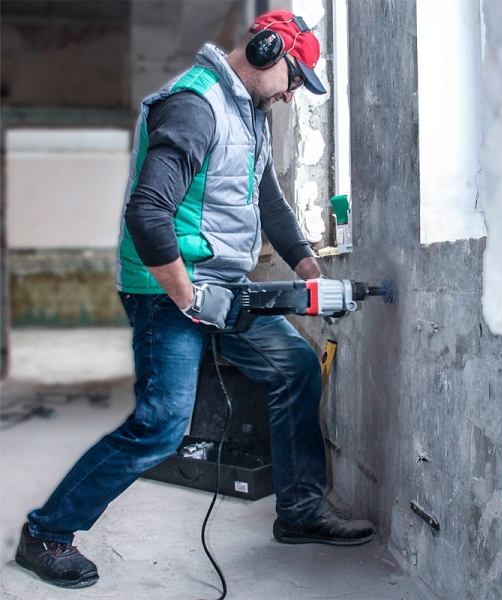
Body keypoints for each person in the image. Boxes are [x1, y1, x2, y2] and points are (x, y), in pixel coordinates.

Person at [14, 10, 375, 589]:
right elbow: (147, 213)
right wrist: (189, 299)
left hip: (223, 287)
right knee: (161, 425)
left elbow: (271, 206)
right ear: (265, 51)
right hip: (166, 287)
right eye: (293, 79)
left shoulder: (250, 116)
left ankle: (300, 510)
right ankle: (46, 535)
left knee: (296, 365)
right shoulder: (194, 106)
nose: (291, 96)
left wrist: (312, 276)